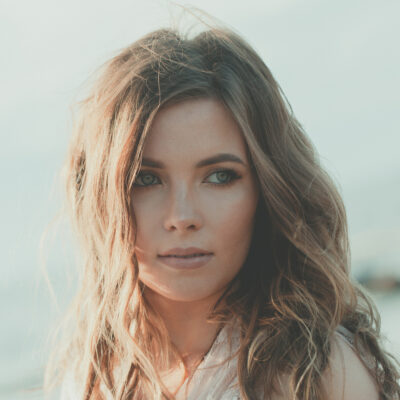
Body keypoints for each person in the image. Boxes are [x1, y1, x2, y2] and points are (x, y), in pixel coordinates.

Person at [44, 20, 400, 400]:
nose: (182, 217)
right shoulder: (93, 380)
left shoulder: (317, 375)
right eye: (145, 179)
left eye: (219, 176)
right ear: (103, 196)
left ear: (266, 189)